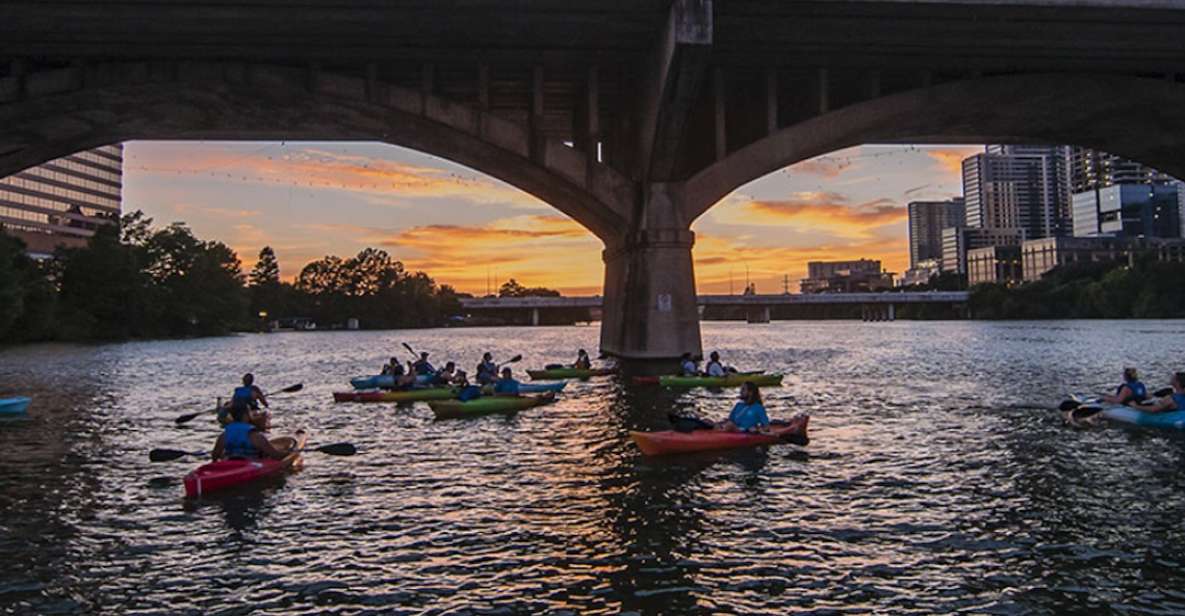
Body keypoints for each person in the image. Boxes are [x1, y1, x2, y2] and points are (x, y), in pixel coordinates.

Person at [211, 403, 287, 461]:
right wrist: (290, 453)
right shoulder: (255, 436)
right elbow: (276, 456)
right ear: (245, 415)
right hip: (251, 465)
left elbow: (215, 456)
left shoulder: (224, 435)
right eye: (249, 412)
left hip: (231, 464)